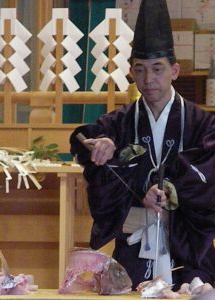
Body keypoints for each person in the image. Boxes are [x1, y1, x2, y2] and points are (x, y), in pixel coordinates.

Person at [70, 0, 215, 291]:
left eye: (158, 69)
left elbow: (209, 172)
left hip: (187, 247)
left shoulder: (202, 123)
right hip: (133, 250)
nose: (149, 80)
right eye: (140, 69)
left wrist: (169, 190)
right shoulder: (119, 124)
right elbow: (81, 140)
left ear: (175, 71)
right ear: (131, 72)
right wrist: (102, 146)